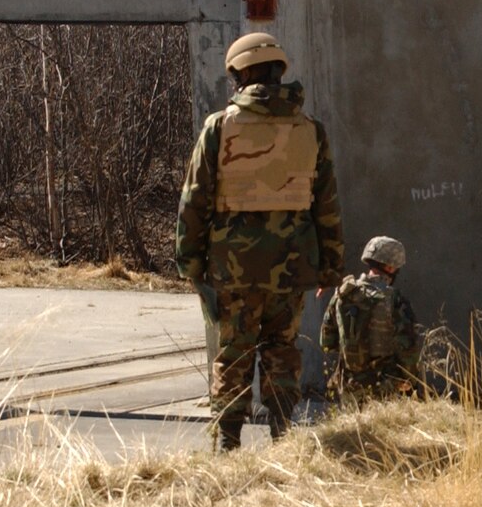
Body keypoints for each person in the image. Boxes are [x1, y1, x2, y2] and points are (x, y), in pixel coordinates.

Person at [175, 31, 345, 450]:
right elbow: (326, 204)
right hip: (291, 265)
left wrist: (190, 263)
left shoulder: (220, 126)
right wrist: (330, 266)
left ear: (240, 74)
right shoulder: (311, 130)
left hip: (232, 266)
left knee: (234, 351)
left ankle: (229, 444)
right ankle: (283, 436)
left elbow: (194, 199)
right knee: (281, 349)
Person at [322, 236, 423, 402]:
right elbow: (408, 349)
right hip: (386, 388)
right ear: (391, 267)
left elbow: (327, 342)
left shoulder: (343, 294)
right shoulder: (395, 299)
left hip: (349, 387)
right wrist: (410, 380)